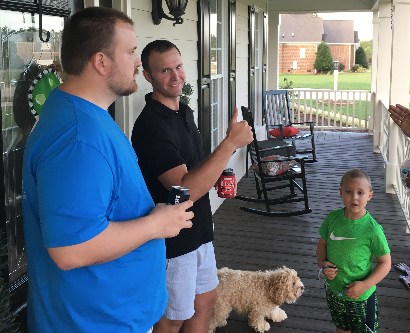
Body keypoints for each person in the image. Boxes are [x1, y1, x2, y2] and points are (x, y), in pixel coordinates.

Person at [22, 8, 194, 333]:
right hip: (95, 322)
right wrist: (155, 224)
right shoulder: (78, 139)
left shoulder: (88, 116)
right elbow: (70, 250)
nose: (138, 63)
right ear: (101, 62)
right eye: (130, 52)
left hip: (111, 316)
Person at [131, 40, 253, 333]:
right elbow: (183, 190)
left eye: (179, 67)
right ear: (147, 76)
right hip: (173, 239)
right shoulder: (150, 126)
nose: (176, 76)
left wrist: (223, 163)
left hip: (199, 230)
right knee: (172, 318)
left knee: (206, 301)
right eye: (165, 71)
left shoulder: (183, 112)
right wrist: (230, 144)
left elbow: (195, 168)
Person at [316, 169, 391, 333]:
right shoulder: (332, 218)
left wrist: (365, 285)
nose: (354, 197)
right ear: (341, 193)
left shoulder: (373, 230)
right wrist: (322, 264)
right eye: (349, 192)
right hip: (335, 291)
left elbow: (385, 263)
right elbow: (322, 245)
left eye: (360, 193)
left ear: (369, 196)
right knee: (341, 326)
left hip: (361, 296)